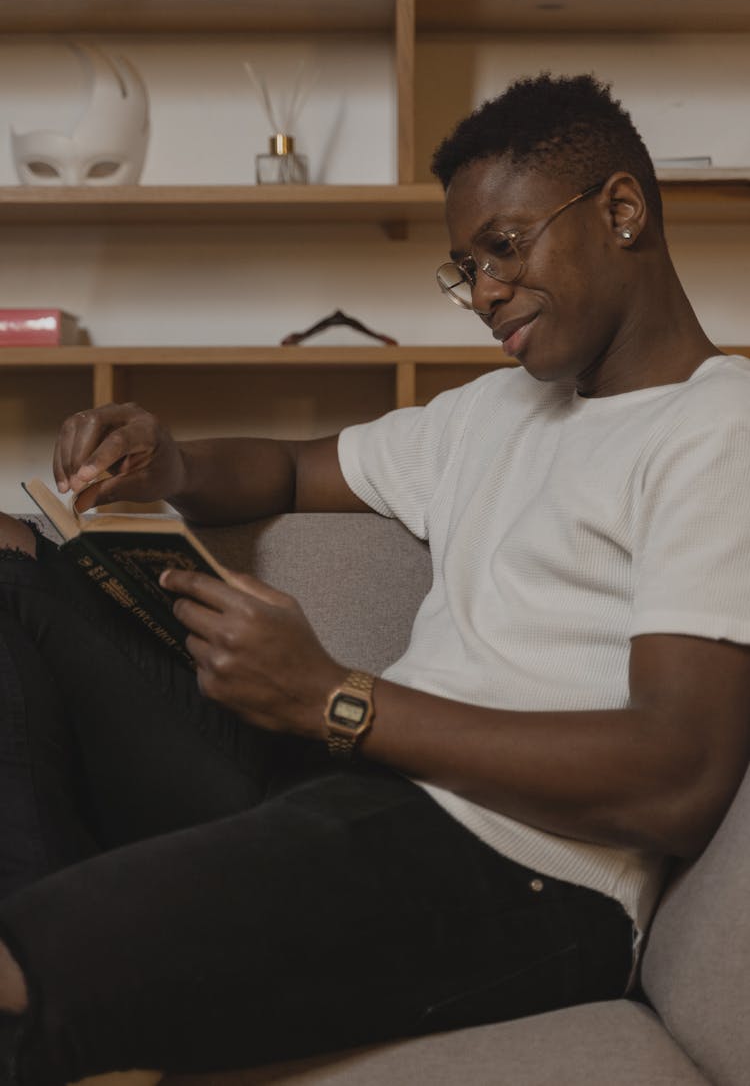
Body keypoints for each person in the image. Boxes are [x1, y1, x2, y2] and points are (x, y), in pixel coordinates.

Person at [2, 71, 750, 1086]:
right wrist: (168, 460)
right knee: (15, 578)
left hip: (522, 874)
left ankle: (58, 971)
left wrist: (334, 698)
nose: (484, 293)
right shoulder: (495, 411)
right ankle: (65, 970)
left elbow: (681, 776)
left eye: (505, 247)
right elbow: (288, 466)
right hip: (344, 787)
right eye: (465, 267)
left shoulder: (717, 430)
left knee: (32, 964)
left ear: (621, 211)